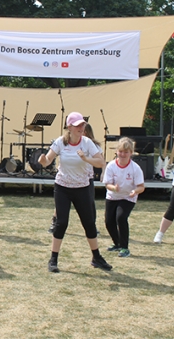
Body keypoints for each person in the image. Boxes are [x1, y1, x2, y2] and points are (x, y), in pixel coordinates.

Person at [38, 112, 111, 273]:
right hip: (63, 187)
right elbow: (48, 160)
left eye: (82, 124)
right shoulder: (60, 142)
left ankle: (96, 257)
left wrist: (86, 159)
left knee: (89, 223)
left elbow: (100, 162)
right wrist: (43, 161)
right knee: (61, 222)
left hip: (82, 188)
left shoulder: (87, 143)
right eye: (77, 125)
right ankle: (53, 259)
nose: (81, 127)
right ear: (69, 127)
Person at [102, 137, 145, 257]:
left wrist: (134, 191)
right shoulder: (111, 166)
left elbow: (141, 187)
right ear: (116, 151)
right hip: (113, 196)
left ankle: (125, 248)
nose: (123, 154)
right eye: (120, 151)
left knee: (121, 218)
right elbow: (107, 184)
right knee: (109, 222)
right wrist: (113, 188)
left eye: (126, 152)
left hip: (128, 197)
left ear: (131, 153)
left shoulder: (135, 168)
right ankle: (117, 243)